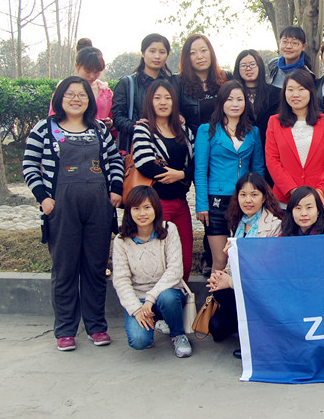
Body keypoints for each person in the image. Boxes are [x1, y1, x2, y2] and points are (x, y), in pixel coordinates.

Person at [22, 76, 123, 351]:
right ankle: (65, 330)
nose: (76, 99)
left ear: (90, 100)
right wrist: (44, 199)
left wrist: (115, 190)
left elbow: (114, 160)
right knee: (65, 269)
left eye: (82, 94)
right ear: (59, 98)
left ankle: (97, 327)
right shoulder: (44, 129)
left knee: (95, 268)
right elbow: (29, 165)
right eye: (70, 94)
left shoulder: (99, 129)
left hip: (98, 208)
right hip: (61, 208)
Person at [111, 186, 192, 358]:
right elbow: (121, 280)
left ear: (155, 208)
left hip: (167, 292)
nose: (142, 213)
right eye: (136, 208)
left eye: (147, 207)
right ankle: (153, 321)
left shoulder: (169, 229)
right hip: (139, 299)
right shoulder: (121, 240)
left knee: (168, 298)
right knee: (139, 341)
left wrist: (150, 298)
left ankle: (178, 334)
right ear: (129, 211)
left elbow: (175, 270)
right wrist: (136, 309)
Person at [207, 173, 284, 350]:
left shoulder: (274, 225)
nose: (248, 200)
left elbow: (266, 270)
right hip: (238, 285)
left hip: (260, 289)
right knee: (216, 328)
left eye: (254, 194)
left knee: (225, 293)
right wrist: (223, 275)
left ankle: (257, 335)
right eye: (243, 194)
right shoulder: (237, 221)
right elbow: (231, 262)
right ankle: (246, 324)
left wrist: (230, 282)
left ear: (264, 197)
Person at [195, 81, 265, 274]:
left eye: (239, 99)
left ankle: (239, 295)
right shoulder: (206, 130)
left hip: (245, 200)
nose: (235, 104)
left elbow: (258, 168)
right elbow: (200, 170)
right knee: (220, 260)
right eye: (230, 99)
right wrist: (201, 204)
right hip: (216, 201)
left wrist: (260, 198)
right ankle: (216, 294)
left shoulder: (253, 132)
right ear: (221, 102)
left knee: (242, 258)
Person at [130, 80, 195, 282]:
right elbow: (144, 163)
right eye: (157, 98)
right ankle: (156, 301)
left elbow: (196, 165)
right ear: (150, 101)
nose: (163, 102)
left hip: (181, 203)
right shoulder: (144, 129)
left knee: (184, 260)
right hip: (155, 203)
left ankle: (179, 298)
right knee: (159, 261)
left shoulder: (185, 131)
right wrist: (171, 174)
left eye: (168, 98)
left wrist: (181, 175)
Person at [265, 69, 324, 204]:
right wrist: (293, 191)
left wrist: (320, 192)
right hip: (285, 199)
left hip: (320, 200)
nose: (295, 94)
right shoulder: (274, 122)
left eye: (301, 89)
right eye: (290, 89)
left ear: (311, 92)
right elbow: (272, 161)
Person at [112, 33, 174, 151]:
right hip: (136, 147)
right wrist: (136, 126)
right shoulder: (127, 84)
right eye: (152, 51)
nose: (157, 56)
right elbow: (117, 117)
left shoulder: (173, 83)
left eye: (162, 52)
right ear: (143, 53)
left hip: (167, 146)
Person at [49, 46, 114, 133]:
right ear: (77, 66)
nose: (92, 76)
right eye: (88, 71)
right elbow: (54, 116)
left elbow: (113, 117)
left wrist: (111, 123)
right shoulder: (64, 89)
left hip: (98, 136)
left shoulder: (106, 92)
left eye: (96, 72)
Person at [177, 34, 231, 134]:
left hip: (225, 138)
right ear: (187, 57)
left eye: (203, 50)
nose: (200, 56)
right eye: (193, 53)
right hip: (193, 139)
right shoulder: (178, 83)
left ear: (211, 52)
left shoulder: (227, 78)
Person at [233, 49, 280, 149]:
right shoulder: (232, 96)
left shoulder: (276, 94)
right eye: (243, 66)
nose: (248, 68)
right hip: (243, 148)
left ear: (260, 66)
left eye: (252, 64)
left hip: (272, 146)